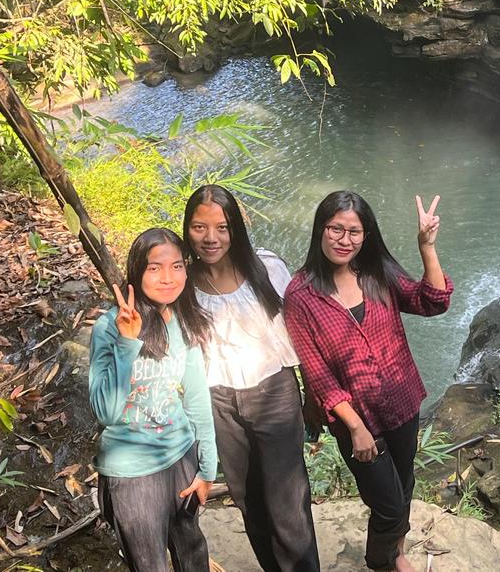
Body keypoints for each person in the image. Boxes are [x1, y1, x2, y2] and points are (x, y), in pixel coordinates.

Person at [284, 191, 452, 572]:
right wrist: (356, 428)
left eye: (354, 232)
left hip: (402, 401)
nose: (345, 240)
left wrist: (426, 247)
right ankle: (380, 562)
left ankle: (397, 553)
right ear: (321, 230)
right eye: (336, 229)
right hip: (355, 419)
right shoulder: (301, 295)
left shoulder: (378, 273)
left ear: (366, 235)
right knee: (388, 504)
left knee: (404, 487)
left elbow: (433, 301)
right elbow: (317, 373)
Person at [182, 185, 320, 572]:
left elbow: (299, 333)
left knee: (288, 503)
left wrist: (313, 397)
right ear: (187, 230)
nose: (211, 238)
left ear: (236, 229)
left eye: (222, 227)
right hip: (219, 402)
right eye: (199, 227)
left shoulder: (266, 268)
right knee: (249, 502)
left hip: (274, 392)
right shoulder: (185, 285)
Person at [88, 227, 216, 572]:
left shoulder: (182, 318)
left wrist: (207, 467)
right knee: (149, 564)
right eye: (155, 268)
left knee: (193, 554)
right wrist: (129, 343)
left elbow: (197, 397)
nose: (168, 278)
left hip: (180, 458)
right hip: (132, 474)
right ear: (137, 271)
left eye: (177, 267)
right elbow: (107, 413)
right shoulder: (109, 327)